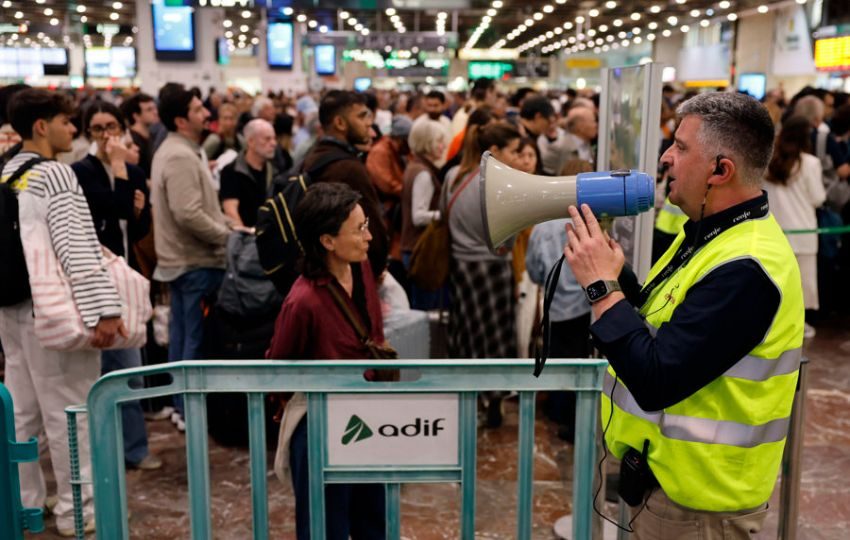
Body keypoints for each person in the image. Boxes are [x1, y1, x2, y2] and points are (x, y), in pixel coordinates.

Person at [563, 92, 803, 537]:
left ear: (721, 170)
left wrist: (601, 289)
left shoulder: (747, 268)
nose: (666, 157)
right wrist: (619, 279)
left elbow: (658, 377)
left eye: (680, 147)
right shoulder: (710, 234)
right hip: (666, 486)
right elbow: (668, 322)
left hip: (698, 504)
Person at [1, 89, 126, 537]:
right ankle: (79, 512)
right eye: (67, 121)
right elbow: (77, 248)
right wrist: (104, 310)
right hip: (54, 314)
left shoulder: (8, 171)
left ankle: (21, 506)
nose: (74, 130)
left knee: (21, 417)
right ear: (41, 126)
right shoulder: (55, 175)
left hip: (13, 313)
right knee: (72, 415)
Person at [269, 183, 386, 540]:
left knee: (372, 517)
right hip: (321, 425)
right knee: (324, 526)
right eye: (359, 229)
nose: (369, 237)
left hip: (368, 414)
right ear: (327, 241)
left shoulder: (361, 269)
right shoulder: (302, 301)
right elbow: (276, 367)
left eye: (367, 225)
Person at [70, 101, 161, 471]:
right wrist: (124, 186)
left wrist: (137, 211)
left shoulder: (135, 171)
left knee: (129, 368)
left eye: (112, 126)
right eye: (97, 127)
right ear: (87, 131)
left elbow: (136, 225)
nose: (107, 134)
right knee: (95, 370)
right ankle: (101, 451)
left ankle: (134, 448)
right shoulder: (81, 171)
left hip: (127, 276)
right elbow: (110, 209)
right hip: (92, 275)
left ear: (123, 128)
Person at [150, 86, 232, 431]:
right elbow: (188, 213)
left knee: (183, 338)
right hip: (193, 261)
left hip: (185, 261)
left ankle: (180, 404)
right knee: (192, 342)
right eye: (199, 109)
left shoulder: (181, 150)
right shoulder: (179, 155)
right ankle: (188, 409)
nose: (206, 114)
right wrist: (225, 236)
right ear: (181, 119)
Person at [445, 122, 522, 427]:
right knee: (496, 337)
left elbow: (443, 219)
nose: (517, 158)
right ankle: (494, 396)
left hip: (461, 268)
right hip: (491, 268)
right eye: (514, 151)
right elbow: (508, 239)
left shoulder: (453, 176)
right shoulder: (498, 186)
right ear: (496, 151)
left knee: (467, 334)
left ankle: (470, 395)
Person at [526, 160, 594, 442]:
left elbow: (534, 271)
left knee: (556, 362)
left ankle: (557, 413)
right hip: (586, 309)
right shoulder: (593, 225)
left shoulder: (542, 227)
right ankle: (577, 420)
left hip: (555, 308)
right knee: (581, 364)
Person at [303, 90, 389, 279]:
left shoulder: (313, 156)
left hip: (325, 270)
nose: (369, 123)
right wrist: (376, 269)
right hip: (350, 274)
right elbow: (370, 228)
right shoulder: (348, 168)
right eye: (361, 116)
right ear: (340, 123)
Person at [763, 115, 825, 338]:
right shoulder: (810, 163)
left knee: (775, 281)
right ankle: (799, 326)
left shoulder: (769, 159)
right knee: (803, 284)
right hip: (804, 233)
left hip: (774, 231)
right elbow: (818, 197)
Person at [401, 118, 447, 310]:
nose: (443, 147)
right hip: (420, 250)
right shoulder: (424, 173)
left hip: (412, 248)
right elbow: (418, 216)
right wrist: (445, 215)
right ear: (427, 143)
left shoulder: (414, 167)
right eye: (439, 141)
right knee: (426, 309)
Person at [219, 118, 278, 228]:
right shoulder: (231, 171)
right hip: (245, 238)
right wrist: (247, 236)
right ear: (250, 141)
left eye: (274, 138)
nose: (273, 143)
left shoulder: (275, 171)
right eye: (267, 139)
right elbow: (231, 212)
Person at [120, 92, 159, 178]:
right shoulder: (131, 140)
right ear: (136, 116)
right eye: (149, 109)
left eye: (155, 108)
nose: (155, 112)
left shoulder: (151, 135)